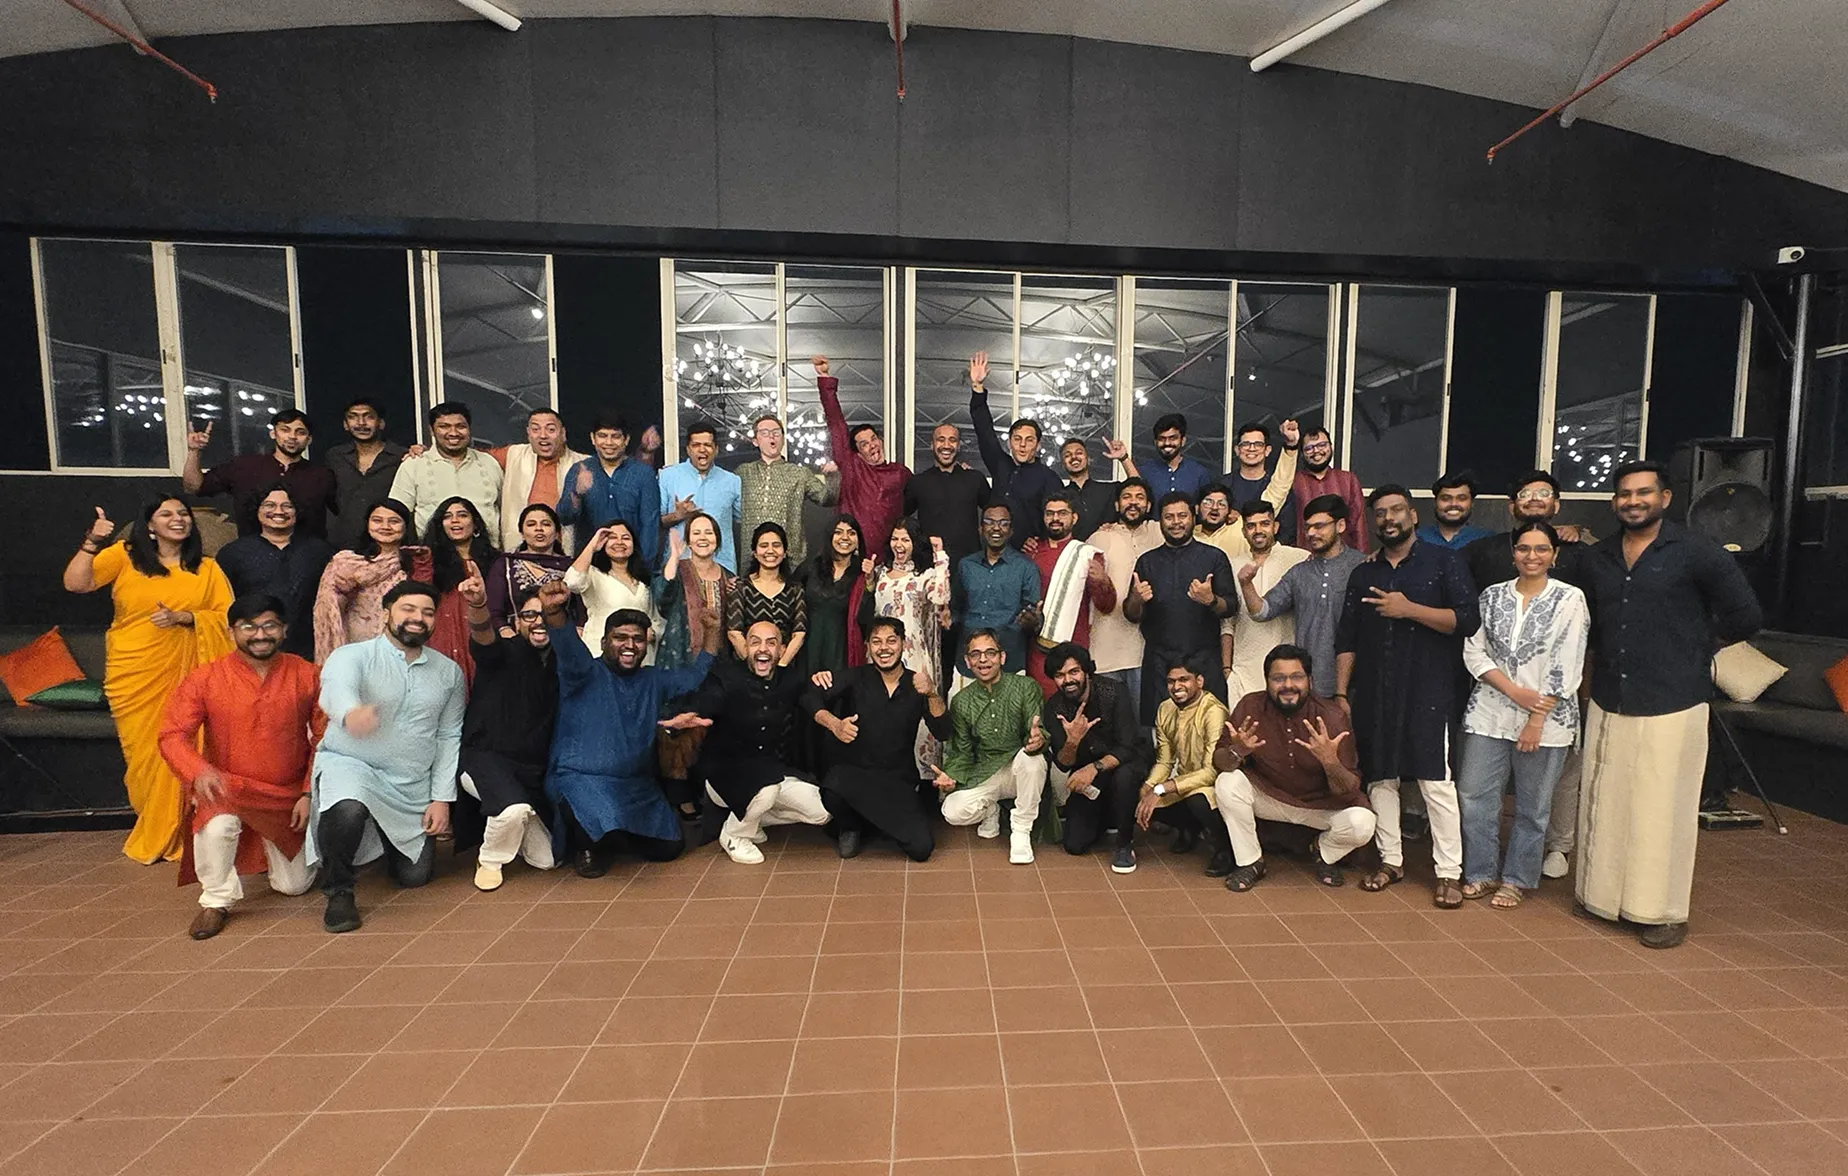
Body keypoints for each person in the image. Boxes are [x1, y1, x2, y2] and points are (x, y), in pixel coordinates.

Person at [1575, 461, 1762, 948]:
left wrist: (1698, 648)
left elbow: (1746, 615)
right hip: (1612, 697)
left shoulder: (1698, 552)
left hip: (1673, 699)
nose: (1632, 501)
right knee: (1607, 802)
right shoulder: (1601, 557)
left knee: (1663, 809)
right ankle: (1602, 898)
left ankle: (1661, 911)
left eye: (1643, 493)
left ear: (1665, 498)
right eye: (1623, 494)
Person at [64, 498, 235, 863]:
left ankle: (192, 829)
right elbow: (77, 584)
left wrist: (187, 617)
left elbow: (227, 619)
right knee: (144, 756)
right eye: (167, 514)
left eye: (183, 514)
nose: (178, 520)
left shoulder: (206, 569)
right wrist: (92, 542)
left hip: (190, 673)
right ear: (150, 526)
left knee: (189, 746)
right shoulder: (125, 556)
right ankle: (155, 824)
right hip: (134, 671)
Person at [1335, 484, 1481, 908]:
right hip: (1375, 693)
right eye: (1380, 513)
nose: (1389, 519)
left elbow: (1467, 620)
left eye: (1397, 510)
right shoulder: (1364, 573)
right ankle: (1391, 860)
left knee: (1436, 782)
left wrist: (1409, 609)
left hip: (1430, 691)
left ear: (1413, 516)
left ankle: (1449, 872)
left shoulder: (1444, 562)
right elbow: (1348, 637)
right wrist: (1342, 692)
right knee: (1382, 777)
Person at [157, 593, 321, 938]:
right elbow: (172, 735)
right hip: (227, 788)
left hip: (286, 796)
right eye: (248, 627)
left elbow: (325, 737)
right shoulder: (205, 678)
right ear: (232, 632)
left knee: (294, 887)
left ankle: (263, 843)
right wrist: (198, 771)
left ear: (285, 630)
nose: (259, 635)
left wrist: (308, 792)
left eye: (269, 626)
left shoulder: (307, 674)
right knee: (218, 826)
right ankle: (215, 900)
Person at [1461, 470, 1597, 879]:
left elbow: (1568, 662)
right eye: (1524, 548)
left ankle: (1518, 878)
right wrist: (1511, 691)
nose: (1532, 556)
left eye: (1541, 549)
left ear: (1554, 555)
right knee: (1474, 795)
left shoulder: (1570, 599)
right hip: (1489, 711)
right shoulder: (1492, 595)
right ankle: (1481, 872)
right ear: (1513, 553)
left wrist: (1536, 715)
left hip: (1547, 719)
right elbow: (1474, 649)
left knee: (1533, 806)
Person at [309, 580, 464, 933]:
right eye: (408, 609)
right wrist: (350, 712)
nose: (418, 618)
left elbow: (448, 734)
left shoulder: (448, 672)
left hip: (409, 785)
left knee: (415, 877)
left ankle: (380, 838)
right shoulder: (352, 656)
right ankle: (339, 891)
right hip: (353, 764)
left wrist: (441, 798)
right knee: (348, 807)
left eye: (427, 612)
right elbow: (337, 687)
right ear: (384, 615)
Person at [542, 582, 715, 876]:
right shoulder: (583, 672)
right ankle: (589, 843)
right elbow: (566, 643)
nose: (629, 645)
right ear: (604, 642)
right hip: (582, 780)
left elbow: (694, 676)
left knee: (670, 848)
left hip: (635, 787)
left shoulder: (653, 679)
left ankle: (612, 835)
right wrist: (553, 610)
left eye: (637, 639)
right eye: (620, 637)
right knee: (591, 839)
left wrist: (711, 631)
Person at [667, 620, 833, 863]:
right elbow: (709, 698)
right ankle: (734, 834)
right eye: (755, 642)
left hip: (771, 773)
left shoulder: (791, 679)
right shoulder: (725, 676)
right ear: (745, 647)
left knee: (822, 812)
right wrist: (692, 714)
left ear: (782, 650)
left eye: (771, 643)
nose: (763, 649)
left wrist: (826, 682)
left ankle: (750, 819)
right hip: (724, 774)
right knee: (766, 789)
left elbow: (810, 697)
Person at [1212, 645, 1373, 891]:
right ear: (1266, 681)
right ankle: (1250, 862)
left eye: (1296, 677)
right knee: (1227, 782)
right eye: (1279, 678)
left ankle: (1323, 851)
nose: (1288, 685)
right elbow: (1220, 763)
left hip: (1321, 807)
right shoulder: (1250, 707)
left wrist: (1330, 762)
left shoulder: (1331, 716)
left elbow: (1350, 790)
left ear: (1310, 679)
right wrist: (1237, 751)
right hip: (1270, 797)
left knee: (1362, 823)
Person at [805, 618, 953, 861]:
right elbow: (809, 696)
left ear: (903, 645)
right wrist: (834, 724)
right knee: (833, 785)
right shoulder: (855, 677)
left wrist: (932, 693)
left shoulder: (917, 683)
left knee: (921, 848)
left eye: (891, 641)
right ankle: (851, 826)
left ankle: (872, 823)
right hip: (856, 777)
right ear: (867, 647)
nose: (884, 648)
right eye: (876, 642)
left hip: (898, 781)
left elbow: (943, 731)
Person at [454, 569, 559, 892]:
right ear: (516, 622)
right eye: (529, 615)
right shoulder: (503, 652)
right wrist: (480, 604)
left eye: (544, 615)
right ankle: (491, 859)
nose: (538, 621)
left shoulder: (562, 663)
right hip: (485, 758)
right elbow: (483, 635)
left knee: (547, 860)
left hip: (531, 769)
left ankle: (519, 812)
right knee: (512, 810)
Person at [934, 629, 1050, 864]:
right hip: (984, 772)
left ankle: (1021, 830)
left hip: (1018, 770)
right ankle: (990, 809)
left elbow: (1037, 729)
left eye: (990, 653)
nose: (983, 660)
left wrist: (1038, 740)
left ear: (1002, 657)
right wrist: (951, 776)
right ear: (967, 662)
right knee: (952, 812)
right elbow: (962, 750)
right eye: (976, 655)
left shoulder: (1026, 687)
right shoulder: (962, 701)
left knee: (1033, 760)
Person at [1238, 494, 1366, 700]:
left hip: (1358, 682)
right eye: (1308, 527)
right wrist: (1246, 585)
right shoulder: (1299, 572)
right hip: (1309, 685)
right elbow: (1263, 611)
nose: (1311, 533)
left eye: (1320, 526)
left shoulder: (1363, 567)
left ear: (1340, 525)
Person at [1123, 493, 1235, 723]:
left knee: (1210, 735)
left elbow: (1230, 607)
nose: (1176, 522)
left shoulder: (1214, 557)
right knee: (1161, 738)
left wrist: (1211, 599)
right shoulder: (1147, 561)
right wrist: (1136, 599)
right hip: (1159, 662)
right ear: (1160, 522)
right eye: (1169, 517)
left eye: (1182, 516)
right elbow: (1132, 615)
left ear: (1193, 516)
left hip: (1204, 660)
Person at [1040, 643, 1150, 872]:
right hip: (1090, 778)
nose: (1068, 680)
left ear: (1087, 671)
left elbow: (1128, 747)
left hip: (1124, 764)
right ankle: (1107, 816)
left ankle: (1124, 843)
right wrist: (1072, 741)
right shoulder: (1054, 708)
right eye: (1060, 675)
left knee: (1124, 776)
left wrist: (1094, 768)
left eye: (1074, 672)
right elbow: (1063, 763)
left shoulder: (1114, 691)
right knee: (1074, 844)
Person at [653, 515, 733, 817]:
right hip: (679, 660)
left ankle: (709, 793)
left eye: (709, 532)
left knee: (707, 728)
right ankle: (680, 798)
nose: (703, 537)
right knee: (678, 730)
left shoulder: (727, 576)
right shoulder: (679, 570)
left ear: (718, 538)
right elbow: (661, 599)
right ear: (688, 538)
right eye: (696, 532)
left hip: (715, 663)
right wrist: (674, 555)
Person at [857, 520, 952, 765]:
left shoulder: (925, 575)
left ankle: (923, 781)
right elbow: (869, 612)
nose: (899, 545)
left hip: (913, 655)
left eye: (905, 539)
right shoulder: (879, 572)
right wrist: (868, 581)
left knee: (917, 717)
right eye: (895, 539)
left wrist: (940, 555)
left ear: (914, 543)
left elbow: (941, 596)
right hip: (882, 654)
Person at [1138, 653, 1234, 875]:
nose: (1176, 686)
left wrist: (1162, 788)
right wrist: (1148, 787)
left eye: (1184, 680)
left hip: (1213, 786)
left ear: (1199, 681)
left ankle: (1224, 848)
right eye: (1171, 681)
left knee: (1197, 800)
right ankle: (1188, 827)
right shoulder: (1165, 709)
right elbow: (1164, 761)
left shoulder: (1214, 711)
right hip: (1183, 782)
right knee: (1144, 796)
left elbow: (1212, 771)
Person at [214, 484, 334, 660]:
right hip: (254, 647)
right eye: (269, 505)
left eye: (287, 506)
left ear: (297, 511)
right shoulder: (233, 553)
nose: (278, 511)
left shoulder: (320, 551)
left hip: (310, 649)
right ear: (257, 510)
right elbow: (222, 603)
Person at [182, 409, 339, 539]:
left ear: (309, 439)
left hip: (309, 560)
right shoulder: (244, 466)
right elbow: (194, 487)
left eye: (300, 432)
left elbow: (343, 511)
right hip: (252, 558)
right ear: (273, 433)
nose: (292, 437)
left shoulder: (322, 475)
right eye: (285, 430)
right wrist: (194, 451)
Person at [312, 498, 428, 662]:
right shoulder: (346, 563)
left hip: (399, 650)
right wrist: (341, 592)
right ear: (367, 525)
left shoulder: (415, 563)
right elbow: (329, 608)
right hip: (353, 649)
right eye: (377, 520)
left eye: (394, 521)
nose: (385, 527)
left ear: (405, 526)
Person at [815, 355, 909, 558]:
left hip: (889, 560)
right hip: (851, 558)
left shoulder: (900, 473)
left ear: (881, 440)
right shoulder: (852, 466)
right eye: (864, 444)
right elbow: (836, 424)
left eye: (873, 439)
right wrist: (825, 379)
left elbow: (920, 497)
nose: (872, 446)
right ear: (857, 451)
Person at [1025, 492, 1114, 695]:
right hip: (1037, 651)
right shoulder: (1031, 552)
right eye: (1050, 513)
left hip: (1075, 650)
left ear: (1074, 518)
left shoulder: (1088, 555)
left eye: (1062, 513)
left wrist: (1102, 581)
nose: (1055, 518)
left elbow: (1106, 606)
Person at [968, 351, 1059, 546]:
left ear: (1038, 444)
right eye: (1017, 439)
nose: (1023, 445)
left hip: (1029, 556)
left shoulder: (1048, 478)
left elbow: (1055, 519)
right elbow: (984, 431)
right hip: (992, 551)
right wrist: (977, 387)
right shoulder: (1000, 464)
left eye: (1029, 440)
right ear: (1009, 443)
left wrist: (1040, 542)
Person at [1087, 478, 1163, 707]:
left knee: (1143, 730)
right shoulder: (1099, 538)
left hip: (1145, 654)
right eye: (1127, 497)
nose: (1133, 503)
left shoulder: (1160, 533)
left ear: (1149, 506)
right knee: (1108, 729)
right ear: (1117, 505)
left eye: (1140, 498)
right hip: (1105, 652)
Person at [1223, 501, 1310, 698]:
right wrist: (1227, 669)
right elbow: (1227, 623)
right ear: (1244, 531)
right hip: (1243, 671)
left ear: (1275, 527)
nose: (1258, 530)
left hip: (1287, 669)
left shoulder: (1299, 559)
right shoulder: (1231, 564)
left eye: (1264, 524)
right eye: (1251, 526)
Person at [951, 504, 1042, 689]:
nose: (996, 528)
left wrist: (1032, 621)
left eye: (1003, 523)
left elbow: (1032, 614)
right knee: (963, 716)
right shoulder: (966, 565)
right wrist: (948, 618)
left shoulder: (1026, 567)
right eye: (989, 522)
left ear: (1011, 531)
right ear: (980, 528)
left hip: (1009, 663)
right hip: (969, 664)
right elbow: (956, 609)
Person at [557, 412, 662, 566]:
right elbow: (565, 518)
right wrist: (576, 494)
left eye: (615, 436)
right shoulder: (580, 470)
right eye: (602, 436)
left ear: (626, 440)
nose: (609, 442)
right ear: (593, 438)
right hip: (590, 566)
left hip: (631, 567)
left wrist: (643, 570)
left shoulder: (643, 474)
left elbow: (650, 526)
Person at [737, 412, 838, 567]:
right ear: (755, 441)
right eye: (764, 433)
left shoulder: (800, 474)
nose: (772, 437)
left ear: (783, 439)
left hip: (791, 562)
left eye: (776, 433)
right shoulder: (743, 473)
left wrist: (833, 477)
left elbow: (827, 499)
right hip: (751, 562)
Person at [419, 496, 499, 693]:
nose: (455, 521)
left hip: (483, 635)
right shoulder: (428, 561)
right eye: (448, 517)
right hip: (441, 636)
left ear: (475, 524)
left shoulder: (495, 560)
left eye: (462, 515)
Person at [389, 401, 502, 538]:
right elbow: (396, 514)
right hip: (433, 555)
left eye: (460, 426)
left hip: (487, 553)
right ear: (431, 430)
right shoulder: (414, 465)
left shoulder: (488, 463)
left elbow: (505, 509)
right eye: (444, 426)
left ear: (469, 428)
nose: (453, 433)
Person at [491, 408, 587, 553]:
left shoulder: (584, 464)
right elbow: (476, 457)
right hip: (519, 550)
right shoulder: (513, 454)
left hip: (566, 553)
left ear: (563, 434)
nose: (543, 435)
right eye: (536, 429)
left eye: (550, 429)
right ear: (528, 434)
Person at [564, 521, 657, 663]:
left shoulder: (642, 580)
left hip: (638, 654)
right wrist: (592, 546)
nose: (619, 542)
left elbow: (654, 616)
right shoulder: (594, 574)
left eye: (626, 538)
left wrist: (652, 633)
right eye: (612, 537)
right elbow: (571, 583)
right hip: (601, 651)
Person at [323, 398, 408, 552]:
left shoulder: (402, 456)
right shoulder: (334, 456)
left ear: (381, 423)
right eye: (353, 416)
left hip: (388, 543)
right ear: (345, 425)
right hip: (344, 544)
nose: (361, 423)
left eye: (368, 416)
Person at [659, 419, 743, 572]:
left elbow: (743, 524)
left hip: (722, 567)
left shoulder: (732, 481)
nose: (702, 450)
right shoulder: (668, 476)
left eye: (708, 445)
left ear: (716, 449)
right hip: (679, 565)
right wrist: (678, 515)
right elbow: (656, 522)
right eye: (696, 445)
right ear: (688, 449)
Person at [904, 422, 988, 567]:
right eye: (941, 440)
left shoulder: (975, 479)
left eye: (952, 440)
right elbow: (900, 517)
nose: (947, 445)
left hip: (970, 564)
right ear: (932, 445)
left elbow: (995, 513)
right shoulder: (918, 482)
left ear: (959, 446)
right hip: (929, 564)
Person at [485, 504, 578, 629]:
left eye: (546, 524)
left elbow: (581, 610)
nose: (539, 529)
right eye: (531, 524)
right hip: (515, 637)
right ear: (522, 533)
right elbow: (494, 609)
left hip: (561, 638)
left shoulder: (570, 567)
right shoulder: (505, 564)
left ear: (557, 533)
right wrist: (505, 631)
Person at [728, 522, 808, 666]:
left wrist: (780, 667)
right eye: (764, 546)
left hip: (786, 669)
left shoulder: (795, 589)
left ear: (784, 553)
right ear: (755, 553)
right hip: (747, 670)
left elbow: (799, 633)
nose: (770, 550)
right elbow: (734, 633)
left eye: (776, 545)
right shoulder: (741, 587)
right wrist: (756, 665)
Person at [797, 515, 868, 673]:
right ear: (830, 537)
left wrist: (870, 583)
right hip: (808, 652)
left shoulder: (862, 575)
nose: (845, 537)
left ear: (858, 541)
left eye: (851, 533)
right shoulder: (810, 569)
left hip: (842, 655)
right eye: (838, 532)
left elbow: (866, 619)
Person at [1289, 427, 1369, 553]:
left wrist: (1361, 560)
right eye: (1309, 448)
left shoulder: (1348, 480)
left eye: (1322, 445)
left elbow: (1358, 525)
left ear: (1330, 446)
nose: (1316, 451)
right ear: (1302, 453)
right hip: (1304, 557)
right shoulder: (1294, 482)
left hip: (1341, 558)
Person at [1228, 420, 1302, 544]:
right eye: (1246, 444)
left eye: (1258, 444)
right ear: (1237, 450)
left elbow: (1288, 532)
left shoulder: (1279, 488)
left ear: (1267, 450)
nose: (1251, 449)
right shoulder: (1223, 485)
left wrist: (1291, 444)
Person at [1116, 412, 1215, 503]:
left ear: (1183, 441)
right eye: (1162, 439)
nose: (1167, 443)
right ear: (1155, 442)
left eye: (1173, 438)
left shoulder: (1199, 473)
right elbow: (1137, 489)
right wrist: (1123, 458)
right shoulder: (1145, 470)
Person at [1059, 438, 1118, 539]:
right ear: (1062, 463)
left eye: (1079, 452)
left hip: (1107, 550)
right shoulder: (1060, 497)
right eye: (1067, 455)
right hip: (1072, 552)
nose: (1074, 457)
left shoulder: (1109, 490)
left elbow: (1139, 488)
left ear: (1088, 458)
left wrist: (1123, 458)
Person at [1419, 471, 1495, 549]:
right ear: (1435, 502)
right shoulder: (1417, 539)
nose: (1453, 504)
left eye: (1462, 498)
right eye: (1445, 498)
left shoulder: (1488, 540)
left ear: (1472, 503)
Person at [1194, 483, 1252, 562]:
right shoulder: (1188, 535)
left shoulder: (1241, 527)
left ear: (1229, 510)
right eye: (1208, 503)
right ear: (1197, 509)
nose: (1215, 507)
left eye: (1221, 504)